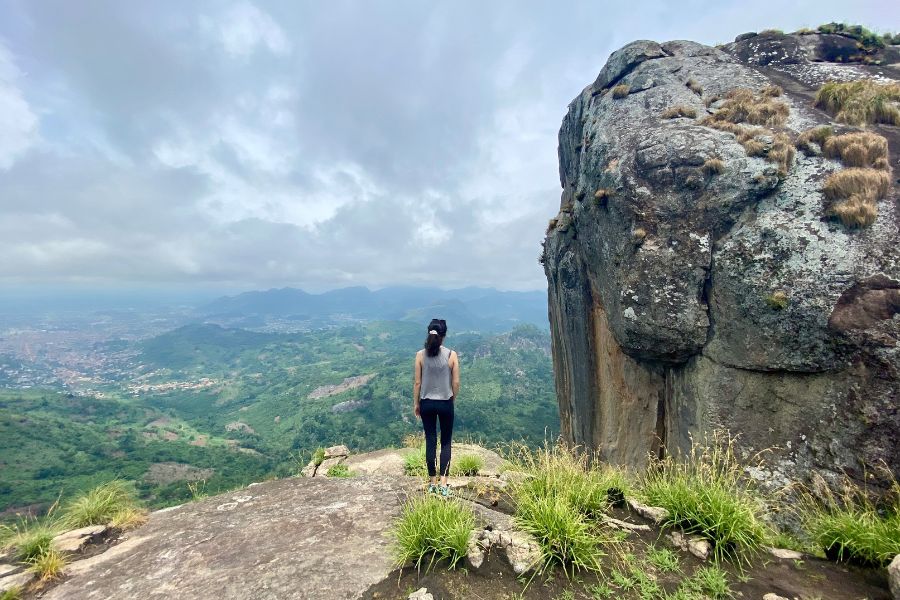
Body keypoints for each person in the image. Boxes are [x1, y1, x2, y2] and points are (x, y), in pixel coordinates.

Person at [413, 318, 459, 496]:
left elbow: (417, 383)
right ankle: (444, 484)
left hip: (427, 403)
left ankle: (432, 483)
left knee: (431, 440)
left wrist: (416, 403)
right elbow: (456, 382)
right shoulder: (451, 355)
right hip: (445, 402)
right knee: (446, 442)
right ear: (444, 336)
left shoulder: (419, 355)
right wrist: (452, 398)